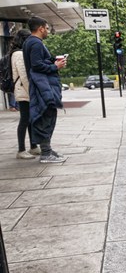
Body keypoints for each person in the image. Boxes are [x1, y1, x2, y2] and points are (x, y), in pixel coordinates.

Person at [23, 16, 67, 163]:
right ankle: (46, 153)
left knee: (47, 115)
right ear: (41, 28)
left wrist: (52, 61)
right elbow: (36, 65)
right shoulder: (35, 43)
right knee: (45, 116)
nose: (48, 31)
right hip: (42, 86)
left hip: (40, 85)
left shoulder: (29, 42)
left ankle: (47, 149)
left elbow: (37, 63)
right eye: (47, 28)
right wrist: (55, 66)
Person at [11, 29, 40, 159]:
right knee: (24, 120)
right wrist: (32, 91)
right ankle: (21, 150)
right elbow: (24, 75)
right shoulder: (18, 54)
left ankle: (33, 146)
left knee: (30, 119)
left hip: (24, 90)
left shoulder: (21, 53)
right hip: (23, 91)